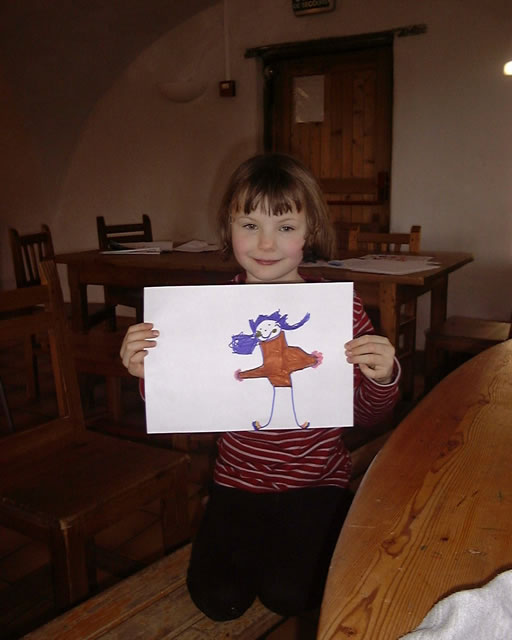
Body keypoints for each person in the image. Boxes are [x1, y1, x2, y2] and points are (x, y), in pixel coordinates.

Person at [120, 153, 400, 621]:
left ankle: (327, 527)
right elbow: (188, 410)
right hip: (237, 479)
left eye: (285, 227)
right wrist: (151, 374)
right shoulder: (207, 314)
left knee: (291, 594)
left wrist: (383, 377)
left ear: (310, 231)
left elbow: (371, 415)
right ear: (228, 228)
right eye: (249, 225)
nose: (266, 243)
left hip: (317, 480)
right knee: (218, 598)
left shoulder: (341, 312)